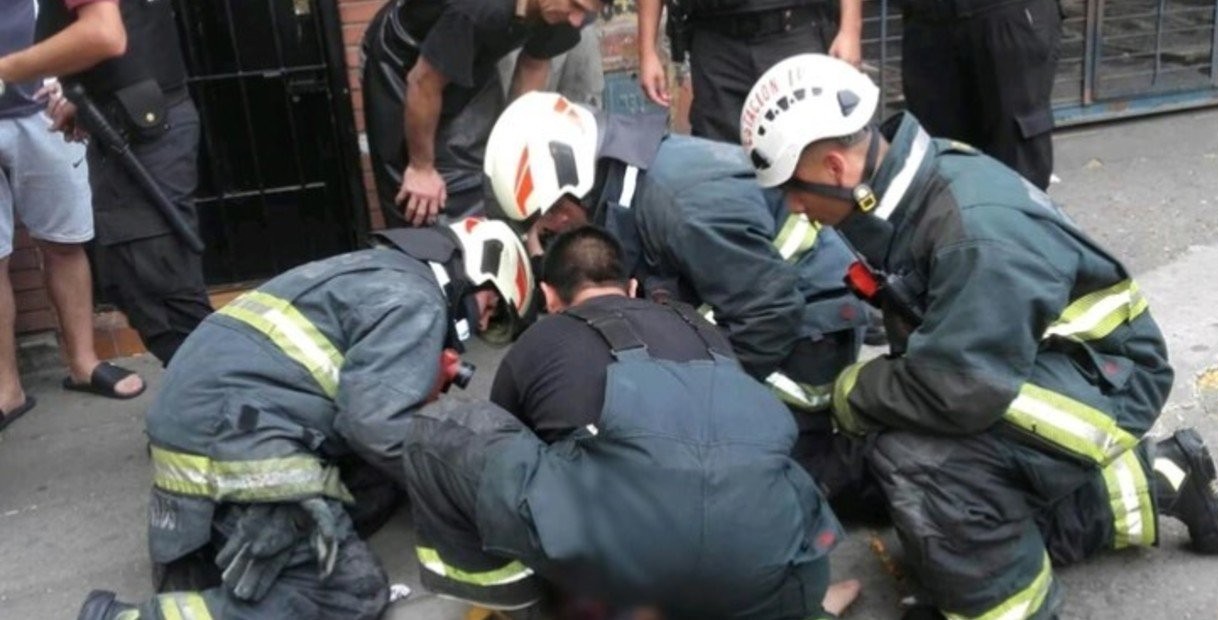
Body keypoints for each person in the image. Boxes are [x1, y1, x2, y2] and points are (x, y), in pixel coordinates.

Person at [741, 54, 1218, 620]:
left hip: (1110, 381)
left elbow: (959, 391)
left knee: (920, 459)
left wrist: (858, 389)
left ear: (833, 167)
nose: (792, 207)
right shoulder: (909, 188)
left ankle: (1005, 609)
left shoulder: (969, 229)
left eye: (791, 190)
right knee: (923, 482)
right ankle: (1161, 479)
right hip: (1056, 369)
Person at [74, 218, 537, 620]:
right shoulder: (415, 298)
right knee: (347, 596)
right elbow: (375, 426)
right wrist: (464, 491)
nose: (479, 325)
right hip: (243, 442)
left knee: (379, 488)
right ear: (477, 272)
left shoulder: (370, 271)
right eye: (490, 308)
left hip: (207, 428)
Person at [404, 225, 861, 617]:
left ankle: (534, 606)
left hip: (631, 568)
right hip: (773, 550)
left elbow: (512, 443)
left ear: (549, 297)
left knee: (438, 432)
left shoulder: (540, 339)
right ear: (633, 287)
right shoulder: (704, 329)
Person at [483, 91, 882, 516]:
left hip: (808, 331)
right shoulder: (630, 180)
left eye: (547, 218)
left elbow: (769, 313)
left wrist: (696, 400)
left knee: (747, 496)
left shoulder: (678, 205)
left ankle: (890, 469)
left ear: (567, 197)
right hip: (768, 306)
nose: (553, 228)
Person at [0, 0, 213, 366]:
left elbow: (103, 34)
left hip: (144, 132)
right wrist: (88, 95)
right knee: (143, 283)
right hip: (132, 120)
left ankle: (231, 407)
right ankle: (214, 401)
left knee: (162, 292)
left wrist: (5, 69)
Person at [0, 1, 144, 433]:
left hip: (43, 109)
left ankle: (83, 362)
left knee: (64, 242)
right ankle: (6, 389)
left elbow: (92, 21)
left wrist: (75, 78)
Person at [360, 0, 604, 228]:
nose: (576, 20)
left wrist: (515, 150)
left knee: (482, 173)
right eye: (575, 5)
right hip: (404, 61)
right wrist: (421, 167)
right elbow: (423, 82)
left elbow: (534, 63)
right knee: (419, 197)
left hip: (473, 52)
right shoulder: (480, 7)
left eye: (585, 11)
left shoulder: (568, 14)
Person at [636, 0, 862, 143]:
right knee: (719, 161)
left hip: (793, 32)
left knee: (810, 151)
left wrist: (850, 29)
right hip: (716, 42)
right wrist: (647, 51)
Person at [898, 0, 1061, 190]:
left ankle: (1014, 218)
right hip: (927, 19)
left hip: (1007, 13)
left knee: (1016, 156)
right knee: (939, 159)